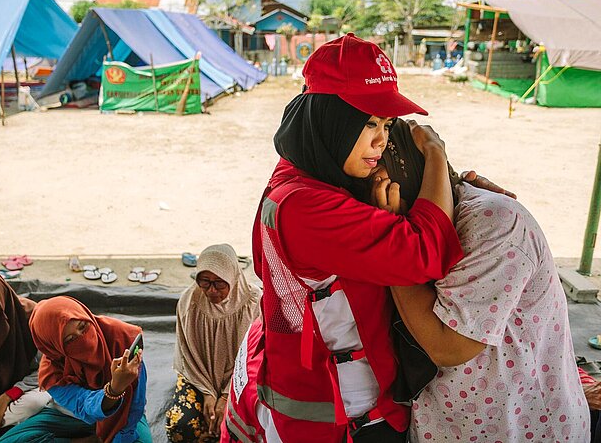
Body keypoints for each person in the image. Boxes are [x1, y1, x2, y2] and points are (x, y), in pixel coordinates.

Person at [224, 32, 469, 443]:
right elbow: (427, 251)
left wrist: (463, 184)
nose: (382, 141)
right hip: (339, 415)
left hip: (324, 391)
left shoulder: (304, 167)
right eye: (368, 122)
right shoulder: (305, 208)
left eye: (387, 125)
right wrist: (438, 158)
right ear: (332, 120)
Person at [376, 121, 590, 441]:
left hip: (523, 428)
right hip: (451, 424)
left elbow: (448, 346)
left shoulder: (495, 222)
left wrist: (392, 239)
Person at [0, 296, 150, 443]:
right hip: (70, 416)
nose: (83, 338)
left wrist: (123, 436)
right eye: (70, 340)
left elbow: (136, 402)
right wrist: (115, 389)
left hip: (123, 414)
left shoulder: (121, 336)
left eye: (83, 327)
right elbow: (83, 405)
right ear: (55, 348)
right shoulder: (52, 371)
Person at [166, 244, 261, 442]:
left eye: (219, 283)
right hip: (198, 377)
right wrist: (207, 393)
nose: (211, 290)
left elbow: (254, 358)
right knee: (182, 426)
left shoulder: (254, 303)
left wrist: (227, 395)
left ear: (233, 278)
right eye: (204, 281)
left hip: (242, 380)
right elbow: (188, 354)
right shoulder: (189, 302)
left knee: (242, 424)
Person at [0, 270, 50, 435]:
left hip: (37, 383)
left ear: (1, 301)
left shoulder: (34, 318)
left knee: (34, 404)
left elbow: (48, 367)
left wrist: (9, 395)